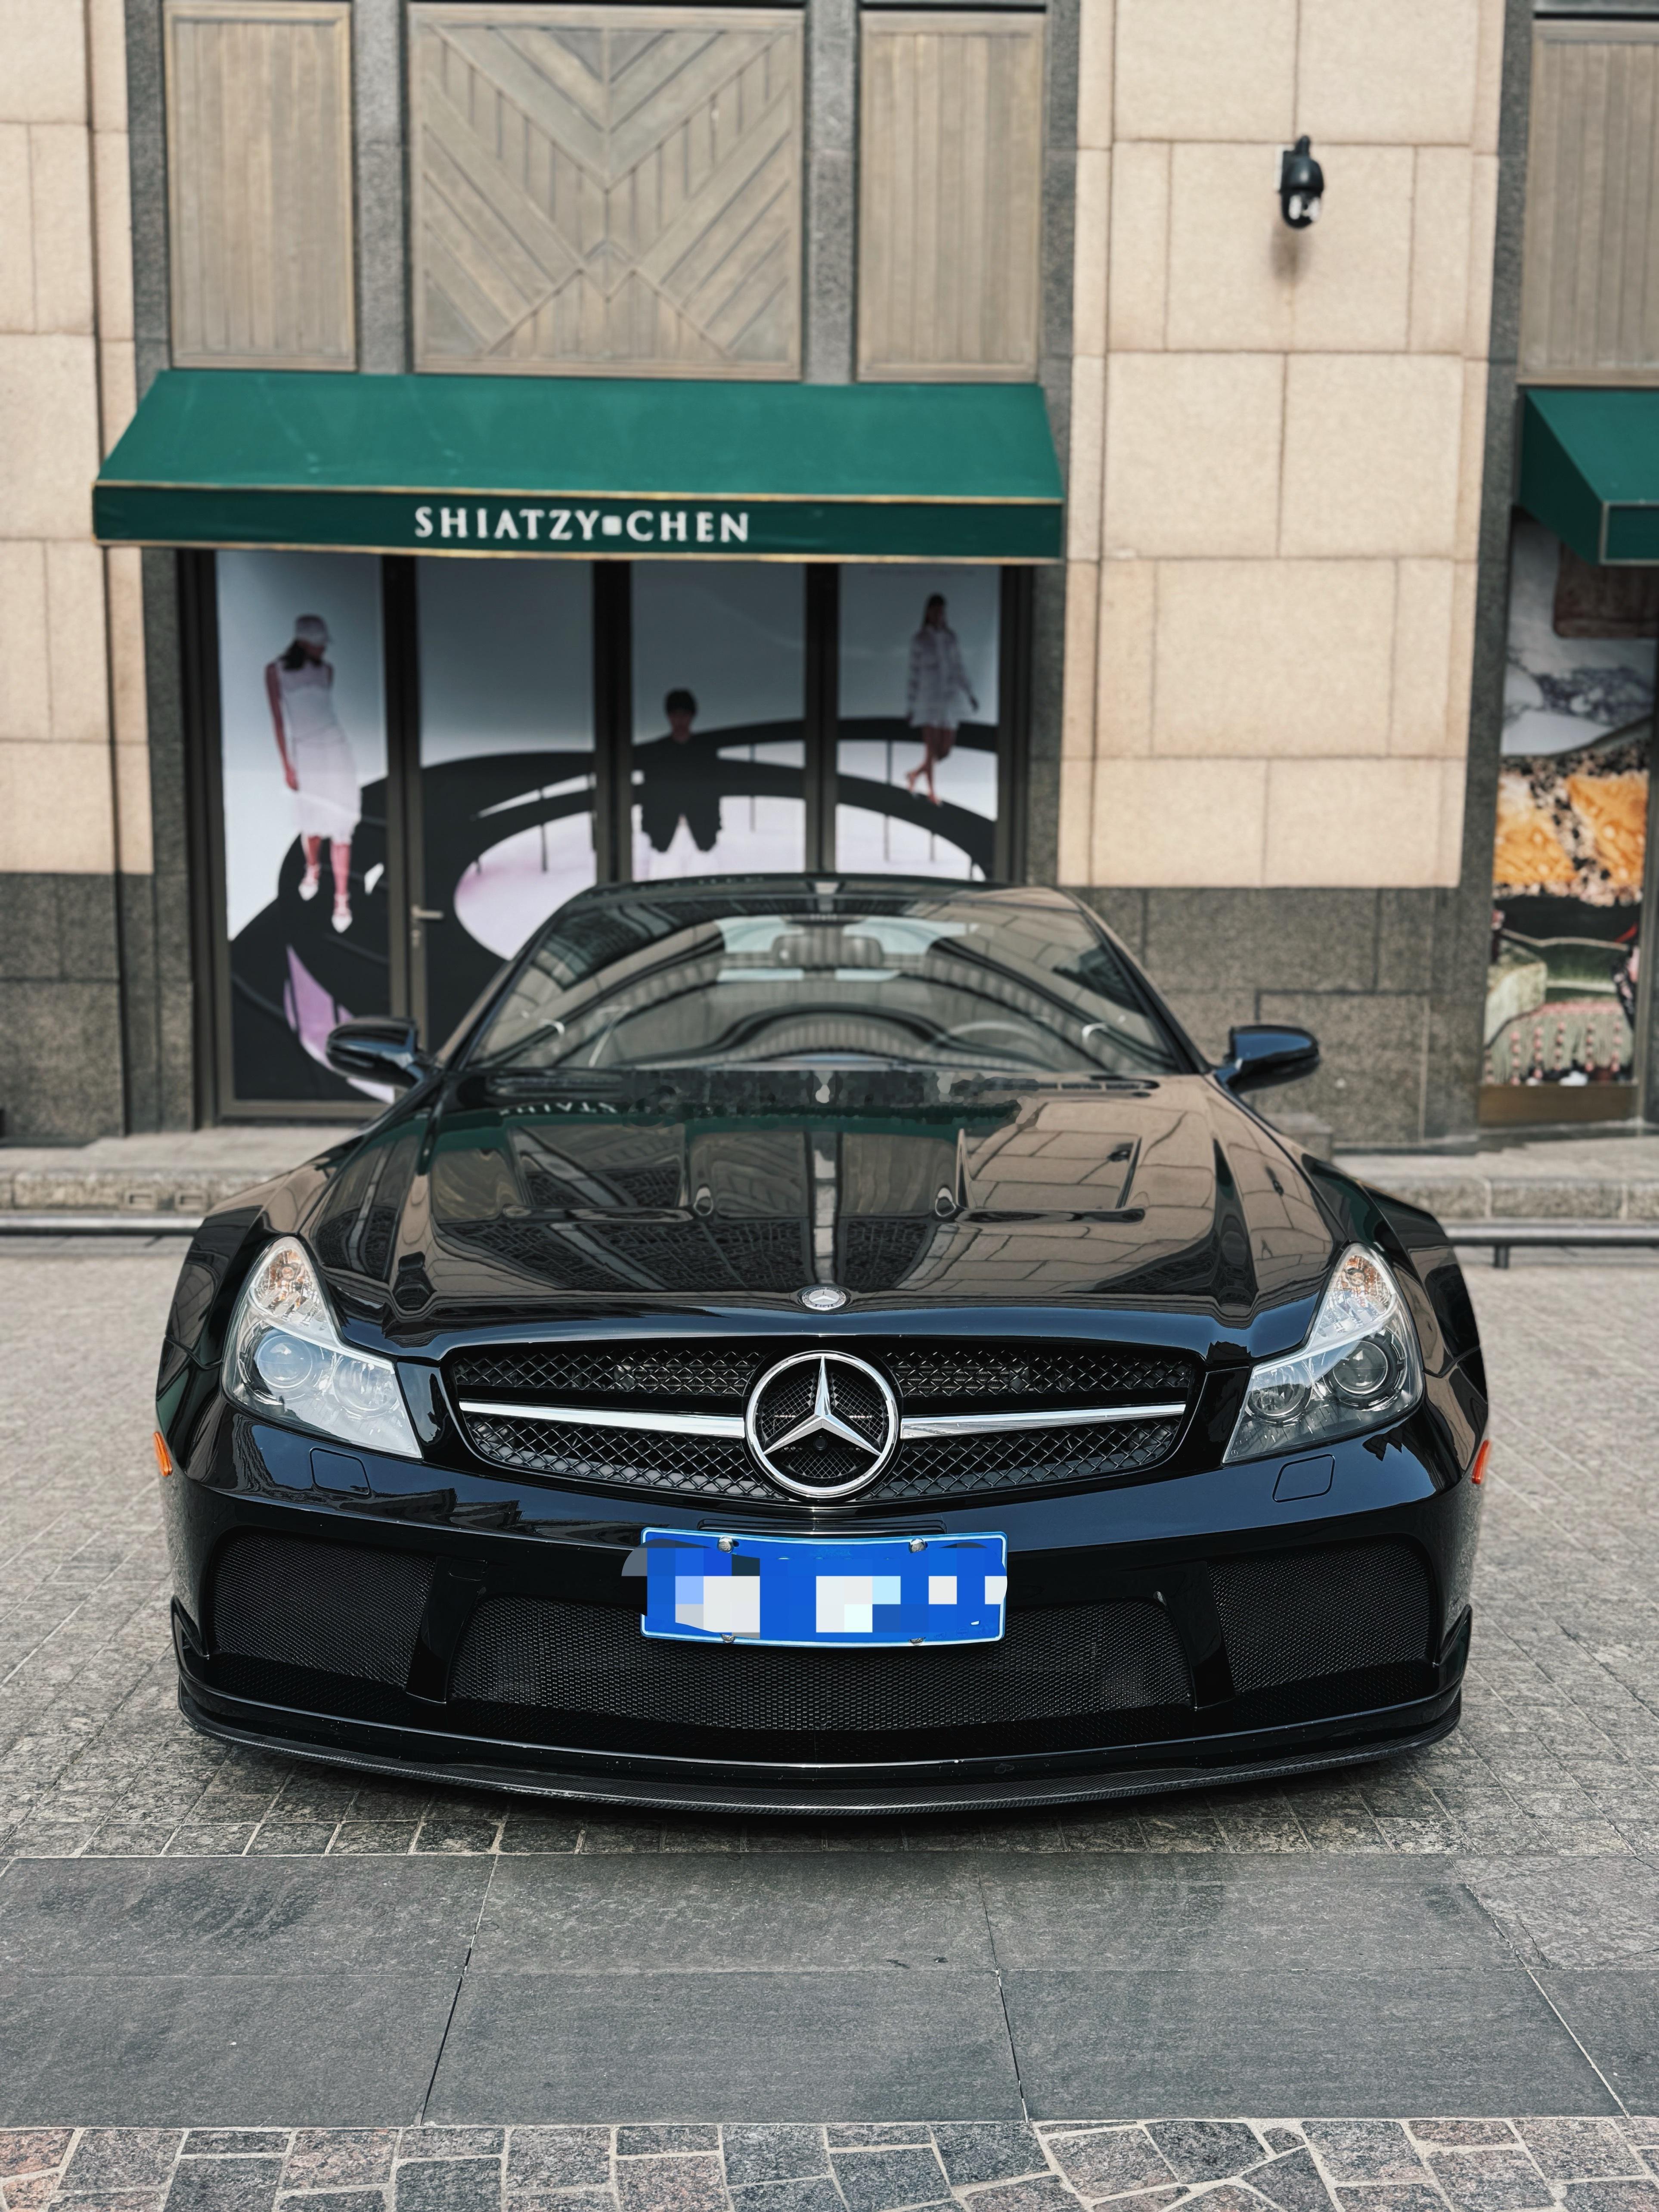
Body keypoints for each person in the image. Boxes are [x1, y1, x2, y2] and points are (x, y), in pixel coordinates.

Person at [265, 614, 360, 933]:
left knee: (342, 823)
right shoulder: (276, 671)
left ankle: (342, 898)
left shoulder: (326, 670)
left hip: (336, 749)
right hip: (306, 753)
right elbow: (278, 720)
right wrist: (287, 765)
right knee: (312, 820)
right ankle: (313, 867)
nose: (323, 649)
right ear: (304, 642)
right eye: (318, 643)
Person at [904, 594, 978, 804]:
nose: (938, 615)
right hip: (927, 699)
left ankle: (915, 774)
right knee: (930, 749)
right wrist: (911, 706)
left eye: (941, 611)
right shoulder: (920, 639)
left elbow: (959, 668)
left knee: (943, 751)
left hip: (948, 700)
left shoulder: (950, 638)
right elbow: (913, 675)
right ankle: (932, 791)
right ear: (928, 613)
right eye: (935, 611)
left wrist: (970, 693)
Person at [638, 687, 722, 858]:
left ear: (691, 716)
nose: (680, 720)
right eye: (675, 714)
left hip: (696, 825)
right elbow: (649, 792)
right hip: (665, 826)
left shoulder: (703, 751)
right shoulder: (659, 752)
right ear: (669, 717)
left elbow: (713, 792)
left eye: (684, 714)